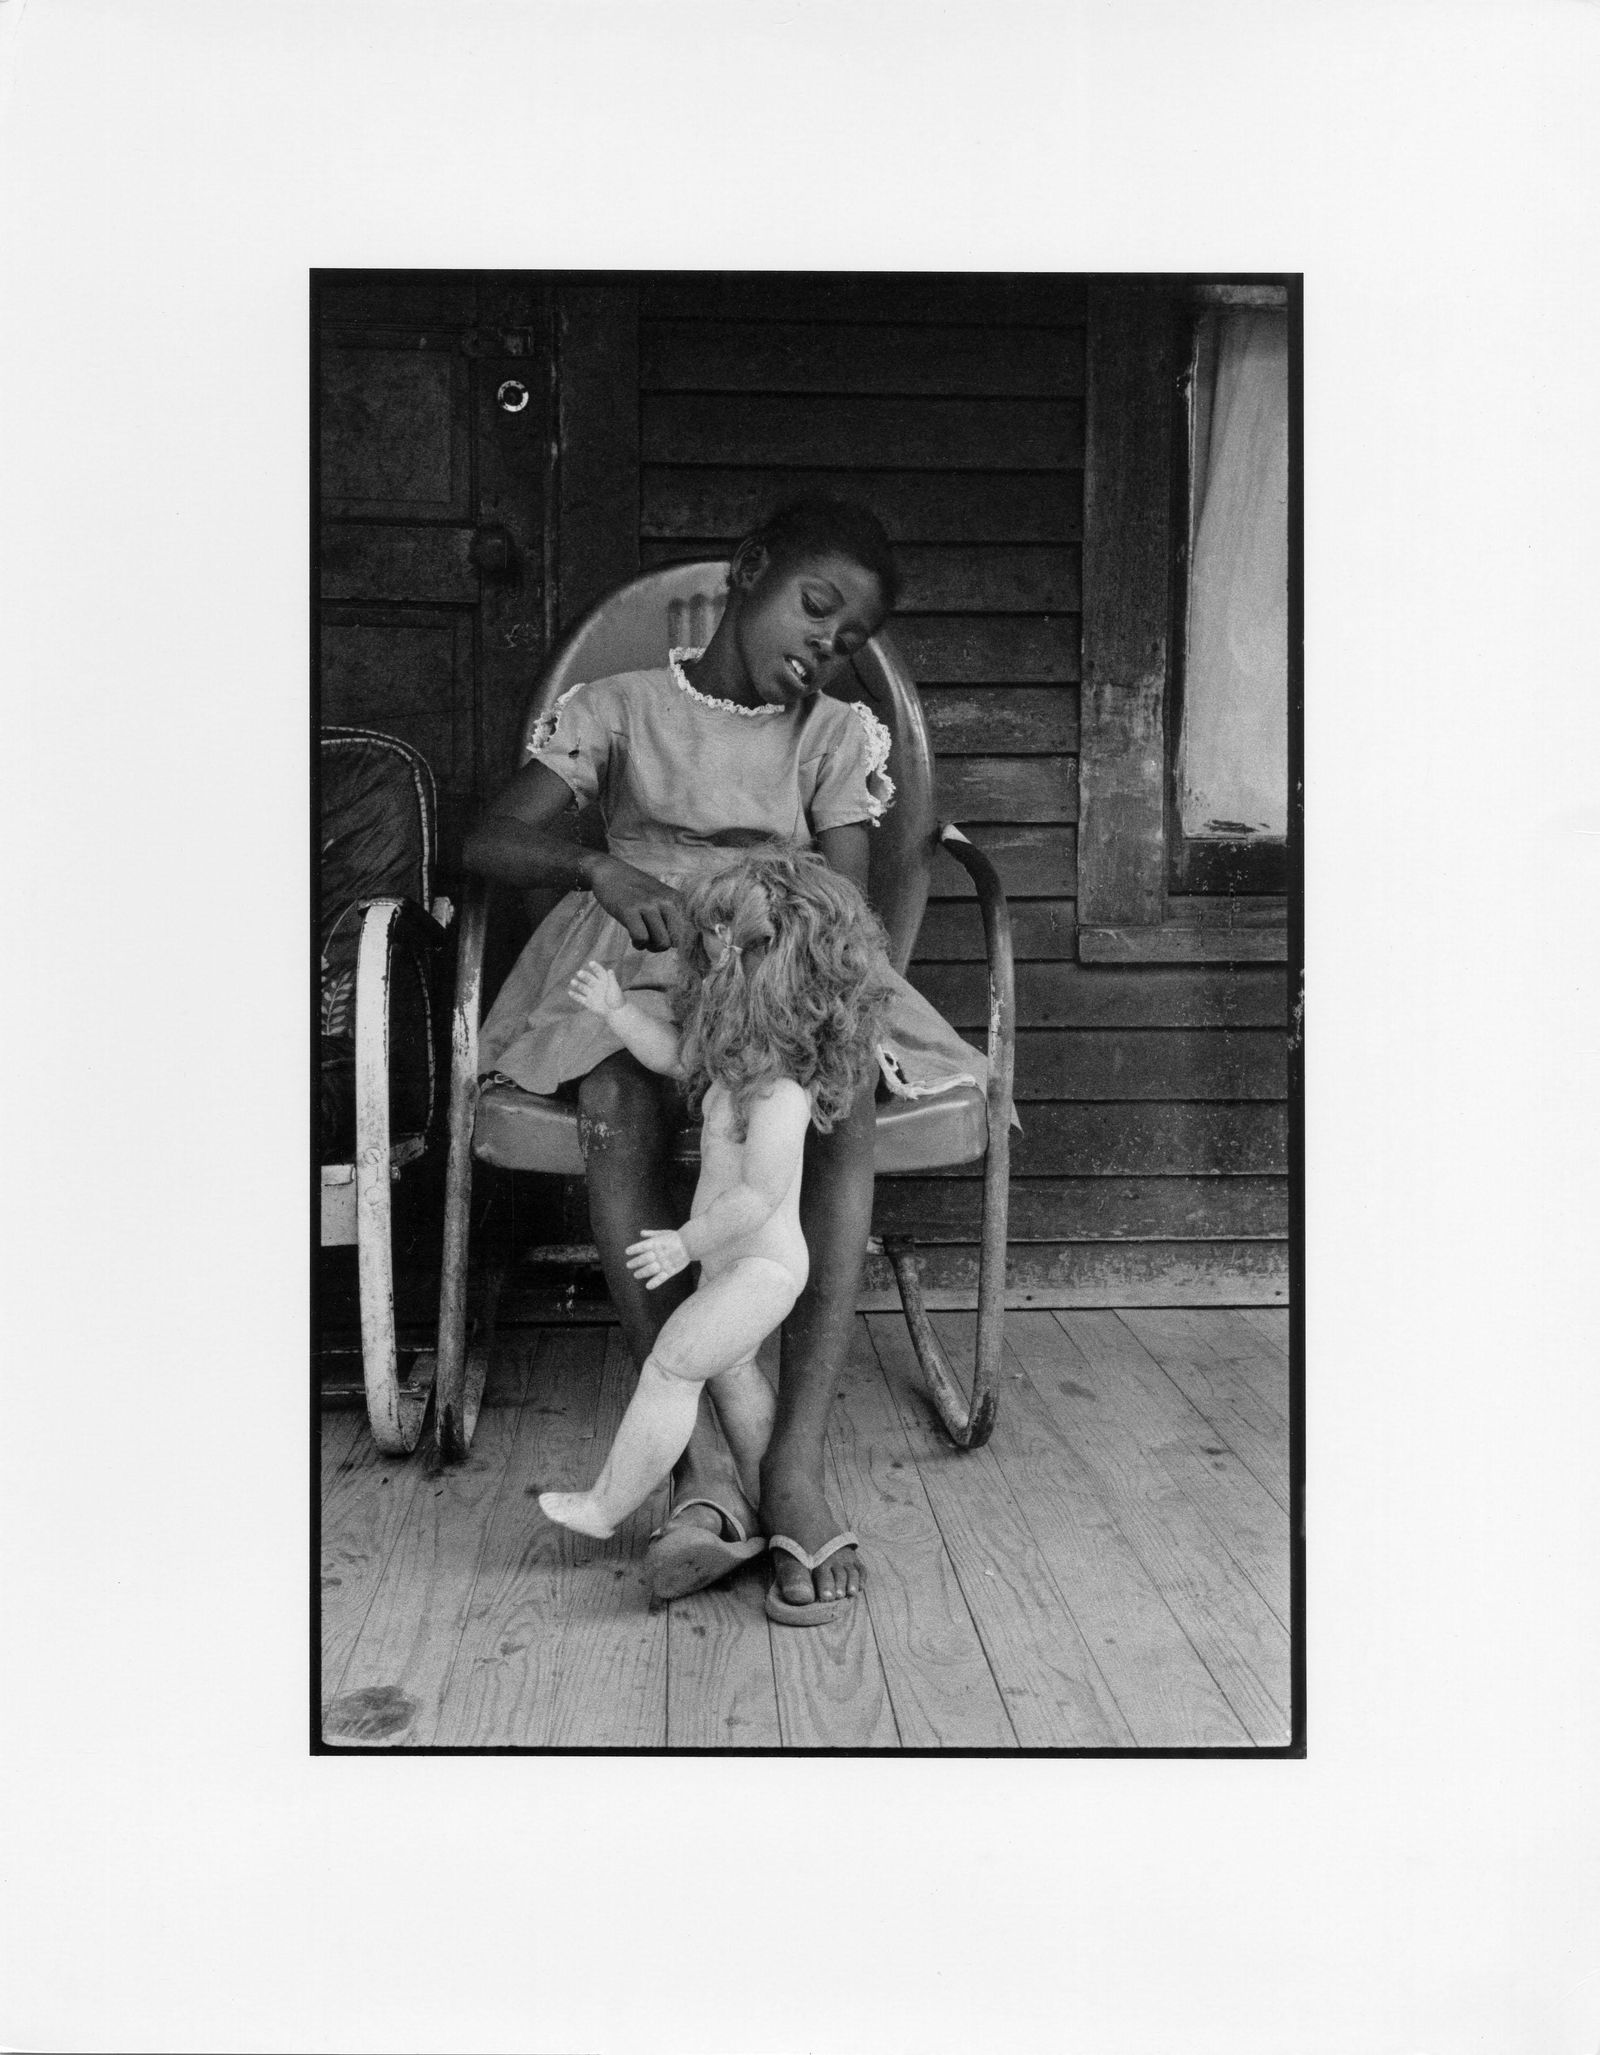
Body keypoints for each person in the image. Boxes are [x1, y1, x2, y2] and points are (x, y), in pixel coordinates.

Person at [465, 498, 988, 1624]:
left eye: (850, 637)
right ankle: (702, 1456)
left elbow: (841, 907)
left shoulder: (834, 734)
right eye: (815, 607)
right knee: (616, 1088)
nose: (826, 644)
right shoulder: (616, 707)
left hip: (770, 958)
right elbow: (491, 839)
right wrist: (599, 870)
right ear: (749, 572)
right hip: (638, 950)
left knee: (835, 1093)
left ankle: (790, 1462)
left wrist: (768, 979)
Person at [537, 851, 890, 1624]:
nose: (711, 966)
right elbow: (671, 1055)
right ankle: (771, 1499)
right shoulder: (737, 1062)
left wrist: (685, 1243)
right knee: (732, 1377)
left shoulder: (784, 1094)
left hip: (759, 1268)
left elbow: (758, 1197)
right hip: (730, 1266)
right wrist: (616, 1012)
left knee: (673, 1363)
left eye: (729, 956)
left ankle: (606, 1504)